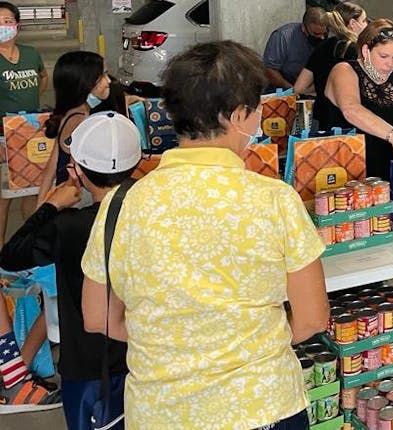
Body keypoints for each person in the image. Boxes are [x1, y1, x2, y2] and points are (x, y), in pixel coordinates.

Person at [80, 41, 329, 430]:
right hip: (260, 405)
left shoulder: (120, 204)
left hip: (161, 413)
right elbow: (313, 319)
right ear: (239, 115)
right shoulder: (274, 199)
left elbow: (99, 318)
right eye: (256, 109)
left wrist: (174, 344)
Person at [1, 111, 139, 427]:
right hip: (147, 353)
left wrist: (51, 205)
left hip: (91, 367)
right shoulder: (152, 208)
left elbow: (10, 257)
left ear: (77, 170)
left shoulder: (69, 226)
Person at [327, 19, 393, 180]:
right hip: (345, 172)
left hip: (387, 172)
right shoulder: (344, 70)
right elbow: (351, 110)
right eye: (383, 56)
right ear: (365, 50)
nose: (389, 64)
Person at [34, 51, 112, 207]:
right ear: (85, 84)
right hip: (80, 201)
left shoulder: (70, 114)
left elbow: (52, 165)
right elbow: (75, 172)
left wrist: (42, 204)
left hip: (65, 199)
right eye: (102, 76)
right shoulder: (82, 121)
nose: (108, 81)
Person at [0, 1, 49, 243]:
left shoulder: (31, 53)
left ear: (17, 26)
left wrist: (30, 110)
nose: (3, 25)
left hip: (31, 131)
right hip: (2, 136)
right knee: (4, 197)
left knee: (32, 189)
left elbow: (43, 77)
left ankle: (28, 246)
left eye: (8, 20)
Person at [294, 2, 367, 131]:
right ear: (353, 24)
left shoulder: (321, 47)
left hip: (323, 118)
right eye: (364, 20)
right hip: (353, 122)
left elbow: (299, 88)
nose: (367, 25)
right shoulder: (359, 51)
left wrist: (322, 88)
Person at [262, 7, 329, 90]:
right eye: (316, 33)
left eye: (324, 34)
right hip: (283, 90)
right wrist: (291, 88)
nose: (321, 37)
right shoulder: (283, 37)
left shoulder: (326, 40)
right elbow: (269, 70)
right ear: (304, 27)